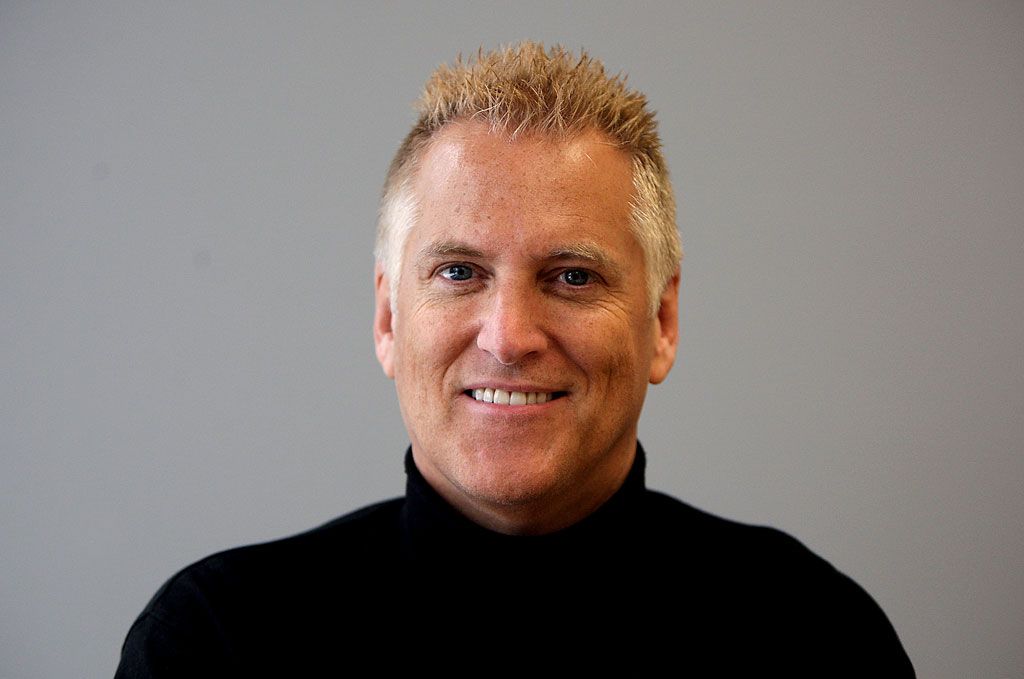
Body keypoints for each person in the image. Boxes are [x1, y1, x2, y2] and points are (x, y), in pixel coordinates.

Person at [116, 42, 914, 676]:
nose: (508, 336)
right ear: (389, 318)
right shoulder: (216, 642)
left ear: (662, 320)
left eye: (573, 277)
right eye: (459, 272)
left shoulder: (814, 635)